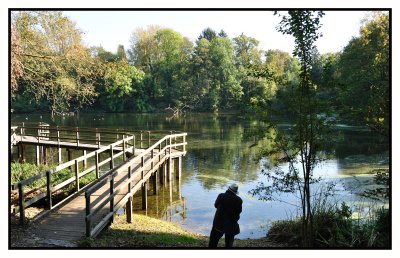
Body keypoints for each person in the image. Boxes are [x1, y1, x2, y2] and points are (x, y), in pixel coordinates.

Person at [208, 183, 243, 248]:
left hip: (219, 223)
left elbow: (216, 205)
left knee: (213, 242)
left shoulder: (221, 196)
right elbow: (239, 211)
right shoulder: (239, 200)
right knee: (229, 243)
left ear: (228, 188)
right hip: (231, 224)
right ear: (235, 192)